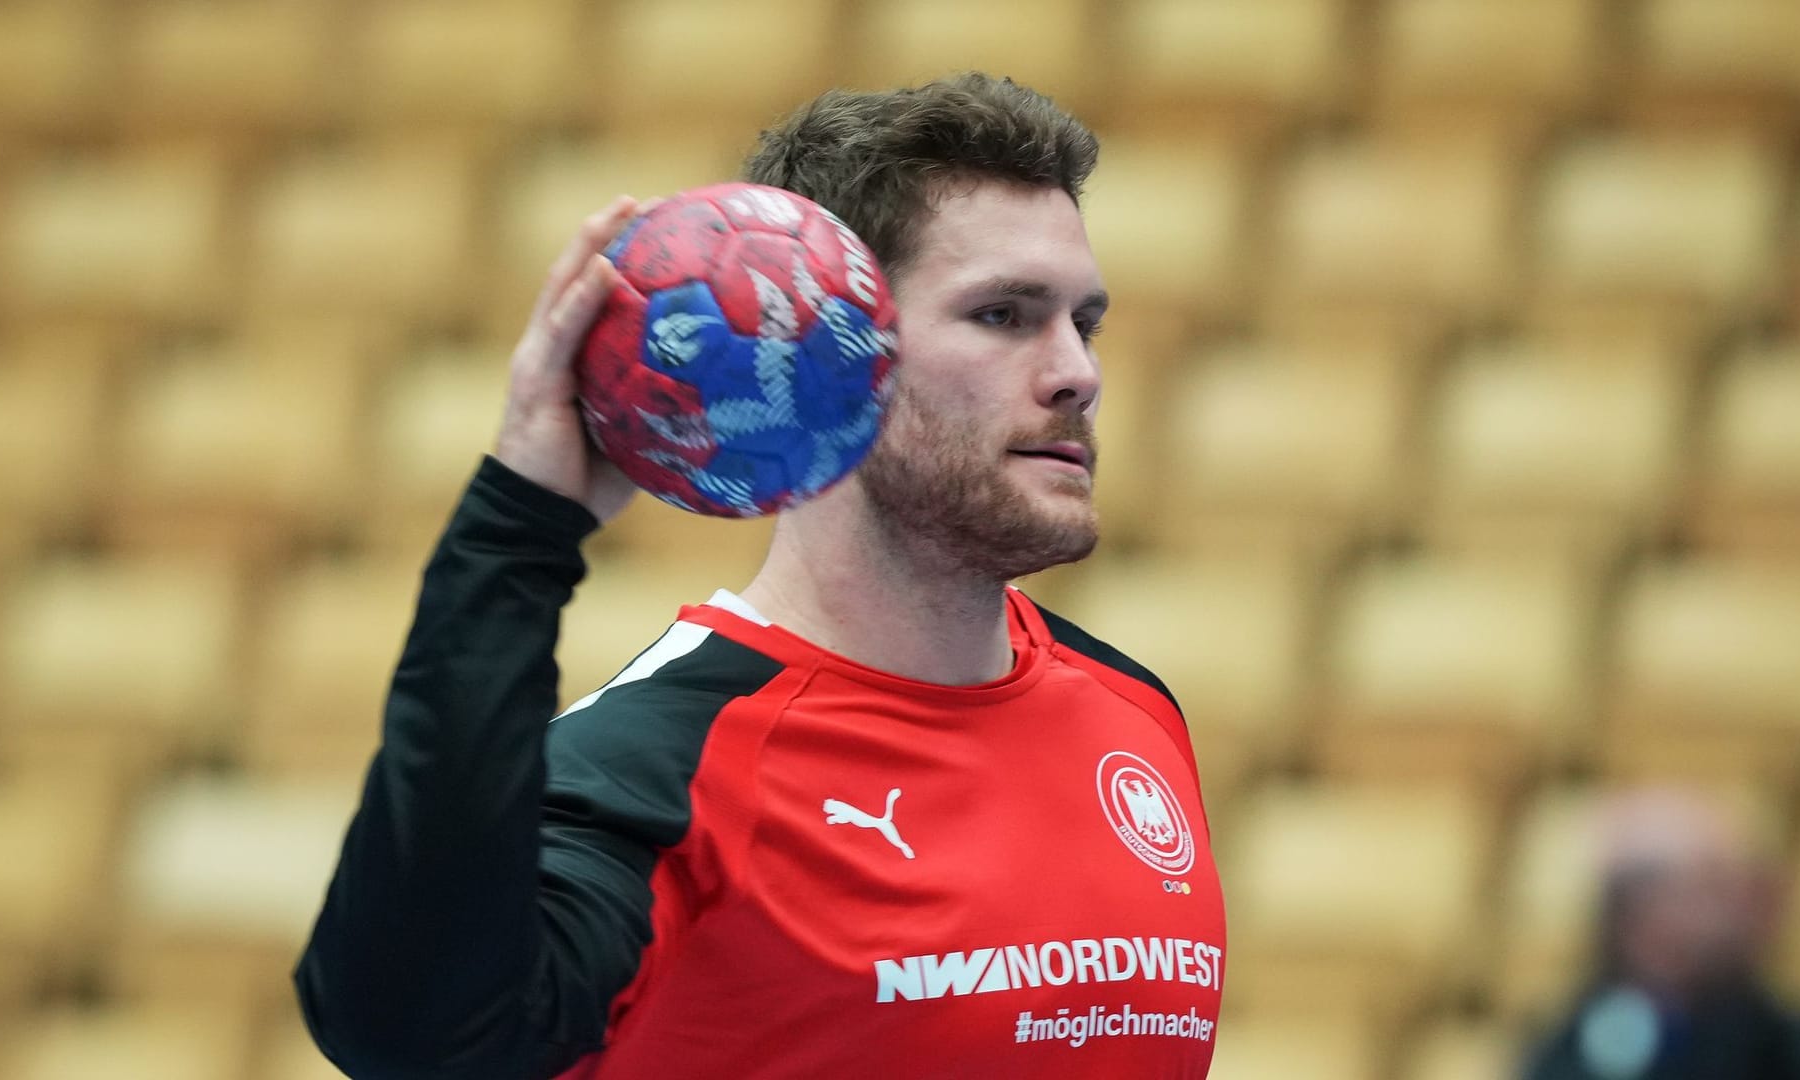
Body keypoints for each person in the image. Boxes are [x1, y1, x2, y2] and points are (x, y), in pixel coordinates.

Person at [294, 73, 1226, 1079]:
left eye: (1082, 323)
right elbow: (411, 1032)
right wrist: (517, 536)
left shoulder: (1131, 710)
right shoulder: (657, 772)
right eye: (1004, 314)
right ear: (831, 350)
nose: (1077, 372)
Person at [1522, 788, 1800, 1080]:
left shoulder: (1781, 1042)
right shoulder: (1572, 1052)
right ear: (1645, 916)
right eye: (1716, 886)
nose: (1745, 907)